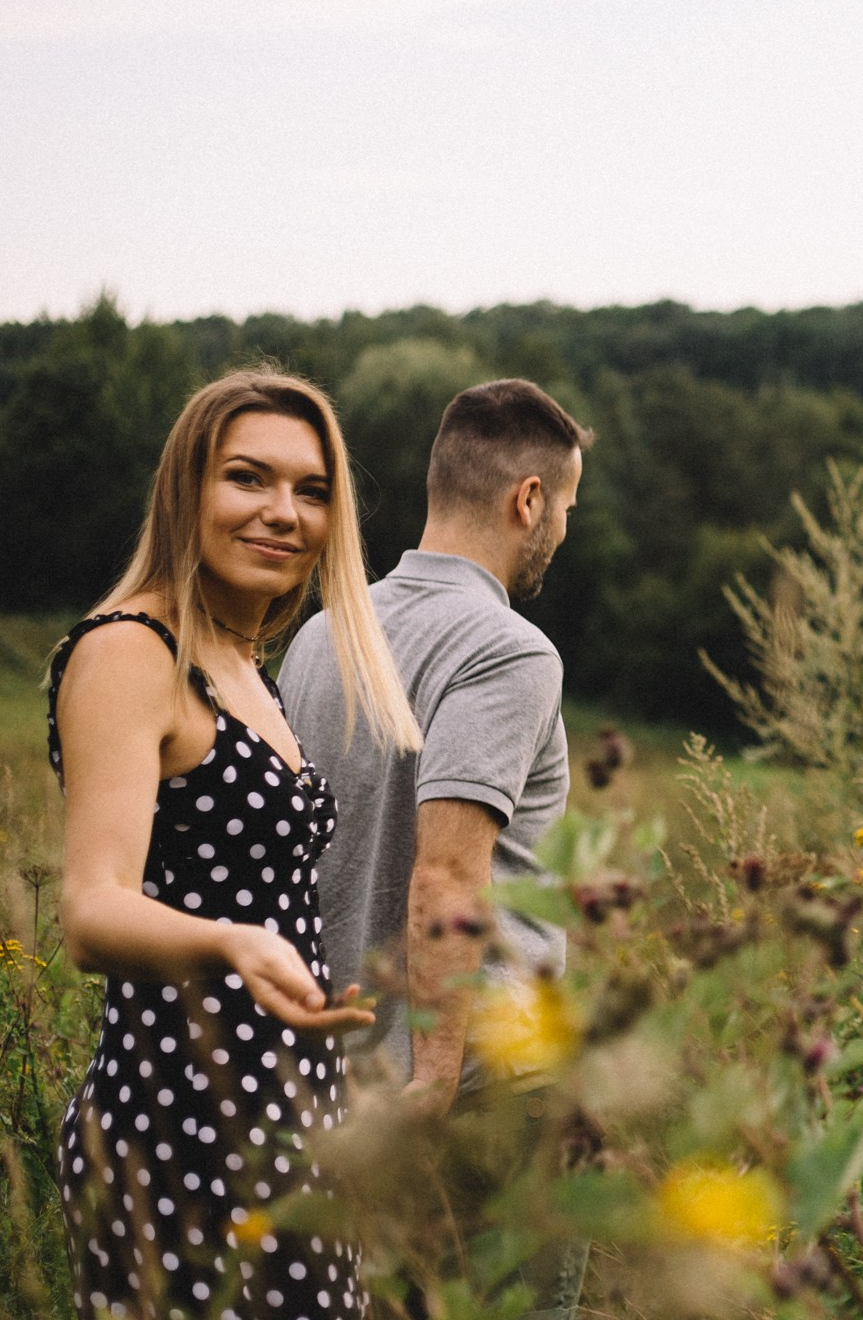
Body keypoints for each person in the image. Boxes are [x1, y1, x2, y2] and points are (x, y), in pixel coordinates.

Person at [49, 369, 422, 1320]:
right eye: (248, 478)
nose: (282, 513)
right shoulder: (134, 651)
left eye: (312, 490)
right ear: (188, 491)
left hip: (288, 1106)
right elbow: (92, 910)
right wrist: (231, 942)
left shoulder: (246, 665)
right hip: (184, 1115)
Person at [279, 378, 591, 1311]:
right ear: (527, 499)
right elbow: (448, 869)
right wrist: (437, 1075)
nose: (563, 532)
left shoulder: (323, 635)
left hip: (346, 1073)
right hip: (479, 1088)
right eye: (566, 507)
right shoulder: (511, 649)